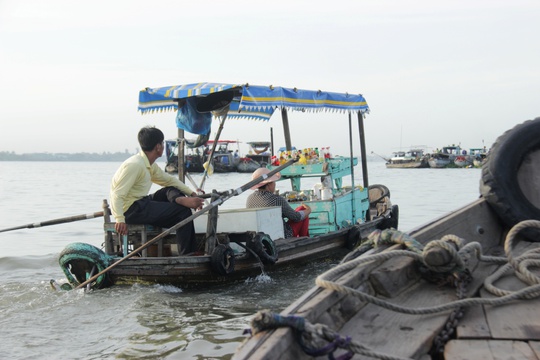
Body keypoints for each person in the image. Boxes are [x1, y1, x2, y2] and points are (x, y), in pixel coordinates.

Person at [110, 126, 205, 255]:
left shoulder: (148, 164)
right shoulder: (135, 165)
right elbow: (117, 193)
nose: (163, 146)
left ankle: (180, 199)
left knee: (170, 189)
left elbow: (169, 181)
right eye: (162, 143)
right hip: (131, 210)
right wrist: (119, 219)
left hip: (141, 202)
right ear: (158, 147)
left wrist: (191, 193)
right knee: (183, 212)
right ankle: (188, 254)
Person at [246, 168, 311, 238]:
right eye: (273, 182)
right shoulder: (276, 199)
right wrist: (309, 210)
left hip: (260, 235)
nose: (275, 184)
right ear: (269, 184)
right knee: (303, 210)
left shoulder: (249, 198)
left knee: (300, 210)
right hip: (282, 235)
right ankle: (304, 240)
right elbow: (296, 217)